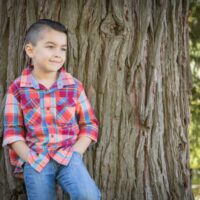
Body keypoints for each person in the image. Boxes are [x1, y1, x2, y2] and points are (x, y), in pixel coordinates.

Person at [2, 19, 101, 200]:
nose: (58, 54)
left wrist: (76, 153)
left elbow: (89, 123)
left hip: (69, 156)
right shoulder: (17, 89)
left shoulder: (73, 86)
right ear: (30, 50)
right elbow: (12, 132)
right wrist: (30, 157)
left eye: (63, 48)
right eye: (50, 46)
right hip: (36, 159)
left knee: (88, 195)